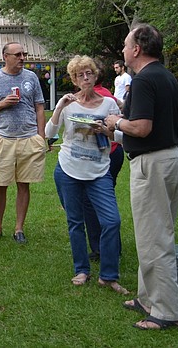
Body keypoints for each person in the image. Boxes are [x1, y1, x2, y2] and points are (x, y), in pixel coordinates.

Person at [104, 24, 178, 331]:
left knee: (155, 237)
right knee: (154, 233)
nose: (123, 51)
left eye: (125, 46)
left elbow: (141, 128)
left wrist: (116, 121)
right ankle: (147, 298)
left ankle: (167, 312)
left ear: (137, 49)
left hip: (153, 164)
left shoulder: (142, 81)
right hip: (173, 157)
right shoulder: (166, 77)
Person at [47, 56, 127, 293]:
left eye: (88, 73)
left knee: (112, 220)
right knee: (75, 222)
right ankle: (82, 270)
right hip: (69, 169)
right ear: (74, 79)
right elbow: (49, 133)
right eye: (79, 75)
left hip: (99, 170)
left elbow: (121, 137)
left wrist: (105, 130)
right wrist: (59, 106)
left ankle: (109, 275)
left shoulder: (108, 104)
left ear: (95, 76)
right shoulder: (69, 104)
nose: (85, 78)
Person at [0, 42, 47, 244]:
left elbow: (40, 108)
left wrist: (40, 137)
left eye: (23, 54)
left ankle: (19, 228)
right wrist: (3, 104)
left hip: (28, 137)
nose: (22, 58)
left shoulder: (31, 77)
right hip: (4, 138)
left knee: (23, 184)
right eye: (17, 54)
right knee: (0, 185)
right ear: (5, 57)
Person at [85, 61, 125, 261]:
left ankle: (102, 248)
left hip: (104, 154)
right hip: (115, 153)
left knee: (94, 202)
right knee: (106, 199)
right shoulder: (110, 94)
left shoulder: (100, 98)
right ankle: (111, 246)